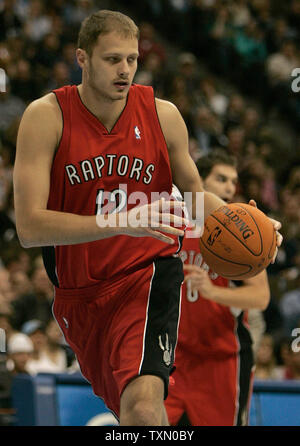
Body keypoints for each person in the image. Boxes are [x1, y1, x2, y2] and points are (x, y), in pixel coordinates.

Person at [13, 10, 282, 426]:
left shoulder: (163, 115)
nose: (125, 71)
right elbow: (29, 228)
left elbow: (194, 197)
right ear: (81, 58)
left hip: (149, 276)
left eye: (132, 59)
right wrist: (120, 220)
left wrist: (250, 222)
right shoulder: (46, 116)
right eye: (112, 59)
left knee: (143, 405)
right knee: (131, 417)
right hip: (79, 295)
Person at [165, 150, 271, 426]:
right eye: (221, 178)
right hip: (173, 356)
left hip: (221, 358)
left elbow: (260, 297)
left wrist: (212, 292)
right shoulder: (173, 223)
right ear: (198, 182)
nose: (229, 187)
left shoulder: (240, 232)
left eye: (233, 181)